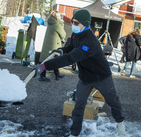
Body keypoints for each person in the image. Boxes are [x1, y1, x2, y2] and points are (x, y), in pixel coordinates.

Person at [32, 9, 125, 137]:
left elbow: (71, 58)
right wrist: (61, 50)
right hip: (85, 78)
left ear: (85, 24)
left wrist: (44, 66)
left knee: (113, 101)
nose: (73, 25)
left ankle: (121, 126)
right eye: (72, 22)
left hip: (101, 77)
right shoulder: (77, 34)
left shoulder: (90, 42)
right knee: (78, 106)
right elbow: (70, 48)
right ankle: (74, 133)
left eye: (76, 23)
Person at [38, 10, 66, 81]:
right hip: (53, 45)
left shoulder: (51, 22)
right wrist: (61, 23)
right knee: (54, 59)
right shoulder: (57, 25)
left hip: (48, 44)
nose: (60, 18)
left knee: (45, 59)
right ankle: (54, 75)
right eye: (59, 16)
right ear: (56, 17)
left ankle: (54, 74)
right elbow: (63, 35)